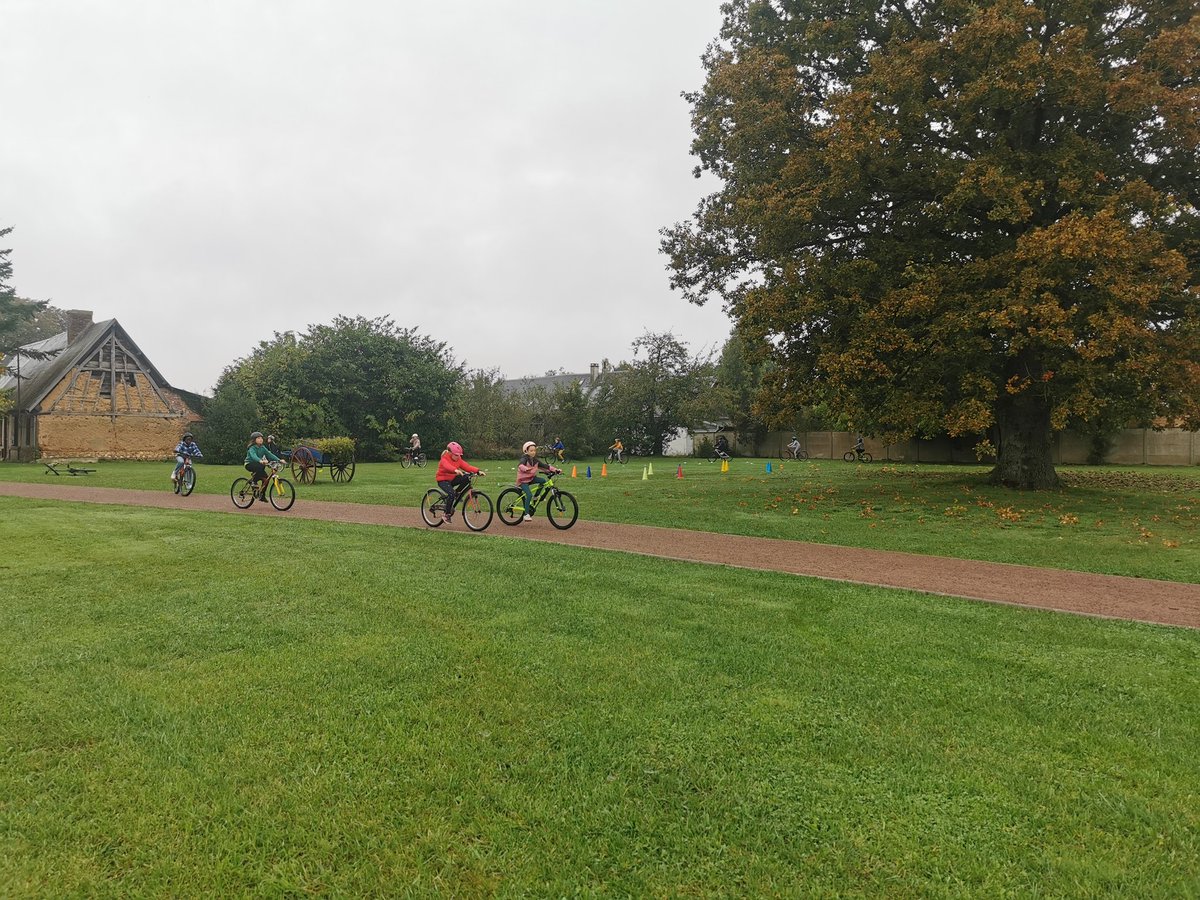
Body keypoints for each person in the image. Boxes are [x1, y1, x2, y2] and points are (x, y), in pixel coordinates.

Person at [435, 441, 484, 523]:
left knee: (466, 477)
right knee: (451, 494)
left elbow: (467, 466)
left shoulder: (458, 459)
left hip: (452, 479)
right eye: (456, 455)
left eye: (459, 455)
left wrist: (478, 471)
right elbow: (447, 466)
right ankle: (446, 515)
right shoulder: (444, 458)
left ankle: (457, 493)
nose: (458, 457)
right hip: (442, 480)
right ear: (450, 453)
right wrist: (455, 470)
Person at [517, 440, 561, 521]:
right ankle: (526, 514)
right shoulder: (524, 458)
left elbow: (546, 466)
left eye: (534, 450)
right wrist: (526, 469)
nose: (533, 452)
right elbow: (520, 466)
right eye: (531, 450)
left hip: (531, 478)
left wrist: (556, 470)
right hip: (523, 481)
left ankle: (536, 496)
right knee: (529, 495)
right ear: (526, 451)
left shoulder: (535, 460)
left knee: (543, 481)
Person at [245, 431, 281, 495]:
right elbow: (254, 456)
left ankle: (262, 495)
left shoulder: (262, 447)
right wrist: (260, 460)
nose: (261, 439)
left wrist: (279, 460)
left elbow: (269, 454)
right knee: (261, 466)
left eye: (261, 438)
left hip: (259, 465)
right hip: (249, 464)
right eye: (258, 438)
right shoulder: (252, 448)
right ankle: (254, 482)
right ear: (254, 440)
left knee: (266, 479)